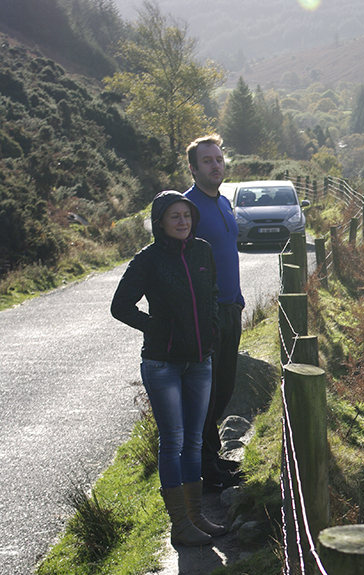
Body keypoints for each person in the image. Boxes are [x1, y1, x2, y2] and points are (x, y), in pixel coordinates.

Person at [111, 191, 227, 546]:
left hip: (199, 361)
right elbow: (120, 306)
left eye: (186, 215)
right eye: (174, 216)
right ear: (160, 222)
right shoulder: (147, 259)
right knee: (173, 441)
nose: (182, 221)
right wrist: (159, 328)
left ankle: (196, 517)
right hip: (162, 362)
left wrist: (210, 327)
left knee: (193, 441)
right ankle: (180, 525)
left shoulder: (203, 250)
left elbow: (212, 294)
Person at [184, 134, 245, 491]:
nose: (216, 165)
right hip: (206, 316)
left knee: (223, 389)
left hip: (230, 310)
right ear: (193, 168)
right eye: (207, 161)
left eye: (219, 159)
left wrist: (237, 300)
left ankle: (213, 458)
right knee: (205, 394)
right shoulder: (187, 207)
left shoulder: (223, 203)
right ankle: (206, 470)